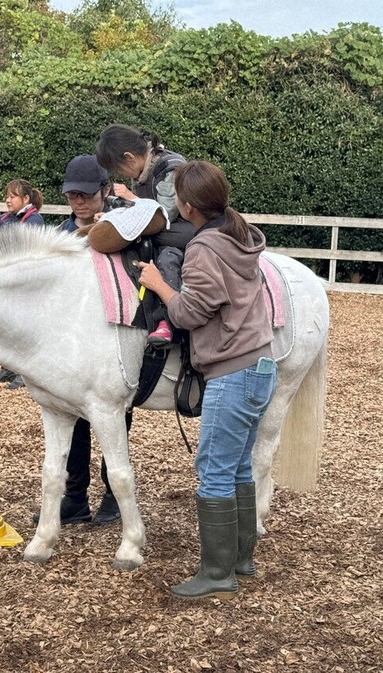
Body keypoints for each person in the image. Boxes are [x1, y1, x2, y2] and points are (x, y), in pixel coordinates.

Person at [137, 161, 277, 599]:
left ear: (187, 205)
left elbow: (191, 312)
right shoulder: (240, 236)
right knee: (237, 466)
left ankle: (217, 573)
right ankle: (241, 558)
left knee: (213, 469)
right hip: (261, 365)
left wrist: (159, 284)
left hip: (232, 371)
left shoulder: (203, 248)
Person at [31, 155, 122, 526]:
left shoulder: (119, 226)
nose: (79, 202)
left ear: (103, 191)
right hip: (67, 343)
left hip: (108, 341)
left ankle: (114, 495)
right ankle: (75, 497)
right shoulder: (59, 234)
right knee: (75, 422)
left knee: (115, 419)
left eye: (85, 194)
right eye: (72, 195)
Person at [93, 124, 195, 348]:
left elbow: (165, 213)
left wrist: (131, 199)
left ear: (129, 158)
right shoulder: (141, 172)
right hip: (158, 229)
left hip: (184, 230)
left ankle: (170, 320)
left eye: (119, 169)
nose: (120, 175)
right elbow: (138, 211)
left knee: (166, 258)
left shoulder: (170, 168)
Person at [0, 179, 45, 388]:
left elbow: (17, 236)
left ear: (26, 199)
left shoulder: (35, 219)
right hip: (11, 280)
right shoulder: (7, 217)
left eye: (12, 196)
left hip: (29, 283)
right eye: (7, 196)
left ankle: (26, 373)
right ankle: (8, 367)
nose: (7, 200)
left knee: (25, 326)